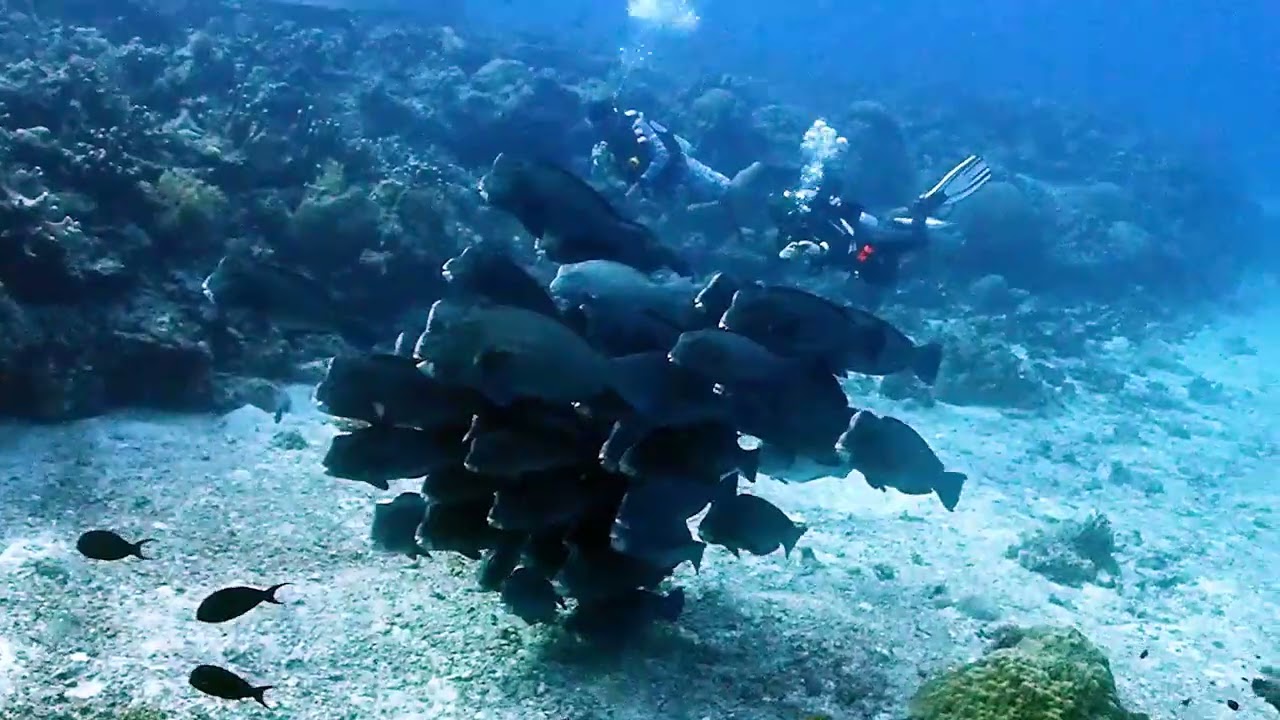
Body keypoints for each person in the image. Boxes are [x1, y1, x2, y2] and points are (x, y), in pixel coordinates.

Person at [774, 155, 992, 294]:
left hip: (867, 244)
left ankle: (922, 210)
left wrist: (821, 251)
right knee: (878, 267)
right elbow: (813, 266)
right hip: (863, 248)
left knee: (916, 241)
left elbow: (843, 242)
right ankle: (898, 223)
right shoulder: (790, 236)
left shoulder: (815, 220)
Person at [586, 99, 773, 233]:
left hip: (689, 175)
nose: (604, 131)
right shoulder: (609, 144)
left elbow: (663, 154)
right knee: (694, 224)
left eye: (606, 125)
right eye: (599, 128)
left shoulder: (638, 126)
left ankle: (770, 214)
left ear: (614, 116)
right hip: (668, 191)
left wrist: (642, 182)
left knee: (731, 197)